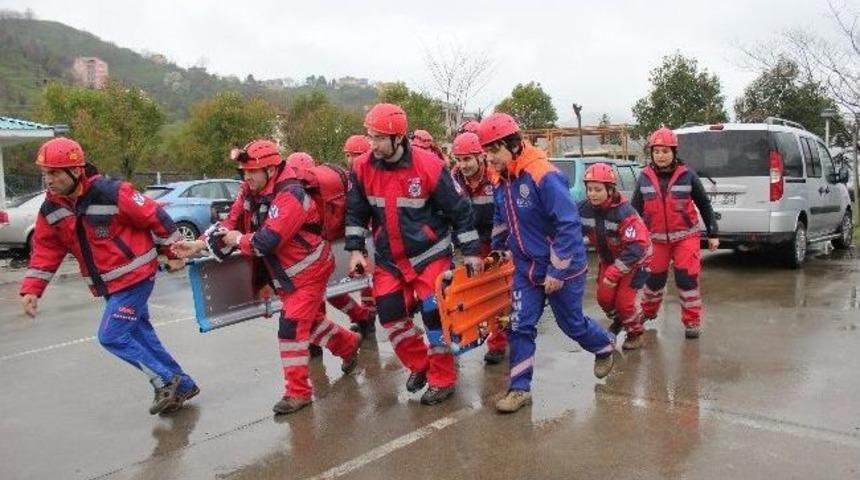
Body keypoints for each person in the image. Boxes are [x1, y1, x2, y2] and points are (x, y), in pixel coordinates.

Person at [172, 139, 360, 414]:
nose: (245, 178)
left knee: (292, 328)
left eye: (251, 172)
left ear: (271, 170)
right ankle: (348, 343)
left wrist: (239, 240)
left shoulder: (291, 195)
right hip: (285, 273)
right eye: (243, 172)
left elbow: (267, 241)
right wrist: (199, 245)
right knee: (311, 322)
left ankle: (298, 393)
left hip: (309, 270)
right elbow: (230, 222)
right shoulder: (250, 191)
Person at [20, 137, 198, 415]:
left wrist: (174, 253)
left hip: (136, 276)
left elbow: (154, 215)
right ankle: (184, 384)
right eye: (45, 173)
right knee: (140, 336)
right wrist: (32, 288)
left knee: (112, 335)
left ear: (76, 171)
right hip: (109, 285)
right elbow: (46, 249)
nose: (48, 180)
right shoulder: (51, 208)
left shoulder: (112, 192)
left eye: (54, 173)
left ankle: (165, 380)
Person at [477, 113, 617, 414]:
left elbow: (568, 226)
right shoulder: (500, 177)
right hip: (526, 268)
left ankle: (605, 345)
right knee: (519, 324)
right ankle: (519, 388)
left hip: (562, 266)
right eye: (485, 152)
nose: (489, 159)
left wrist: (557, 270)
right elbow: (502, 218)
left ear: (512, 145)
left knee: (572, 325)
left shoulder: (543, 175)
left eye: (493, 151)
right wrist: (498, 250)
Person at [345, 103, 482, 406]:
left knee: (434, 317)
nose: (373, 144)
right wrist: (355, 249)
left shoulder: (429, 166)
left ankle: (443, 379)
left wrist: (471, 252)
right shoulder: (362, 168)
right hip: (389, 260)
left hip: (429, 255)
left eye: (379, 138)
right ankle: (421, 365)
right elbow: (356, 212)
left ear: (398, 138)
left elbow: (460, 211)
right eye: (370, 136)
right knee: (391, 317)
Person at [631, 127, 719, 339]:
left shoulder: (687, 175)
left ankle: (692, 321)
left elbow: (704, 204)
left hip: (685, 238)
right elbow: (634, 211)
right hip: (656, 240)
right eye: (657, 151)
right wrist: (632, 238)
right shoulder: (644, 177)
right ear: (651, 153)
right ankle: (648, 312)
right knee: (653, 280)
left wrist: (713, 232)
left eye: (665, 151)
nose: (661, 156)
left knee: (686, 279)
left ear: (674, 152)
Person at [284, 152, 375, 344]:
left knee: (321, 298)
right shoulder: (324, 188)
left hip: (317, 253)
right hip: (338, 245)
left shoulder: (297, 195)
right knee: (332, 294)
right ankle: (362, 317)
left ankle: (318, 343)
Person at [578, 163, 652, 350]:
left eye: (598, 189)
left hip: (635, 261)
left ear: (610, 190)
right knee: (604, 299)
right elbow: (568, 230)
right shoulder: (583, 209)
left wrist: (613, 274)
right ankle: (621, 320)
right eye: (589, 189)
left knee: (624, 303)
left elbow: (636, 247)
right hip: (609, 260)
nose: (592, 194)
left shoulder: (625, 212)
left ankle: (635, 332)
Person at [450, 131, 508, 364]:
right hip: (468, 244)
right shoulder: (453, 179)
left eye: (467, 160)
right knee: (475, 296)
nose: (462, 165)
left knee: (498, 295)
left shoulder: (496, 178)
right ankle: (473, 336)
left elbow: (505, 214)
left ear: (480, 157)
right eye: (459, 159)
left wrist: (500, 247)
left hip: (496, 242)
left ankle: (498, 342)